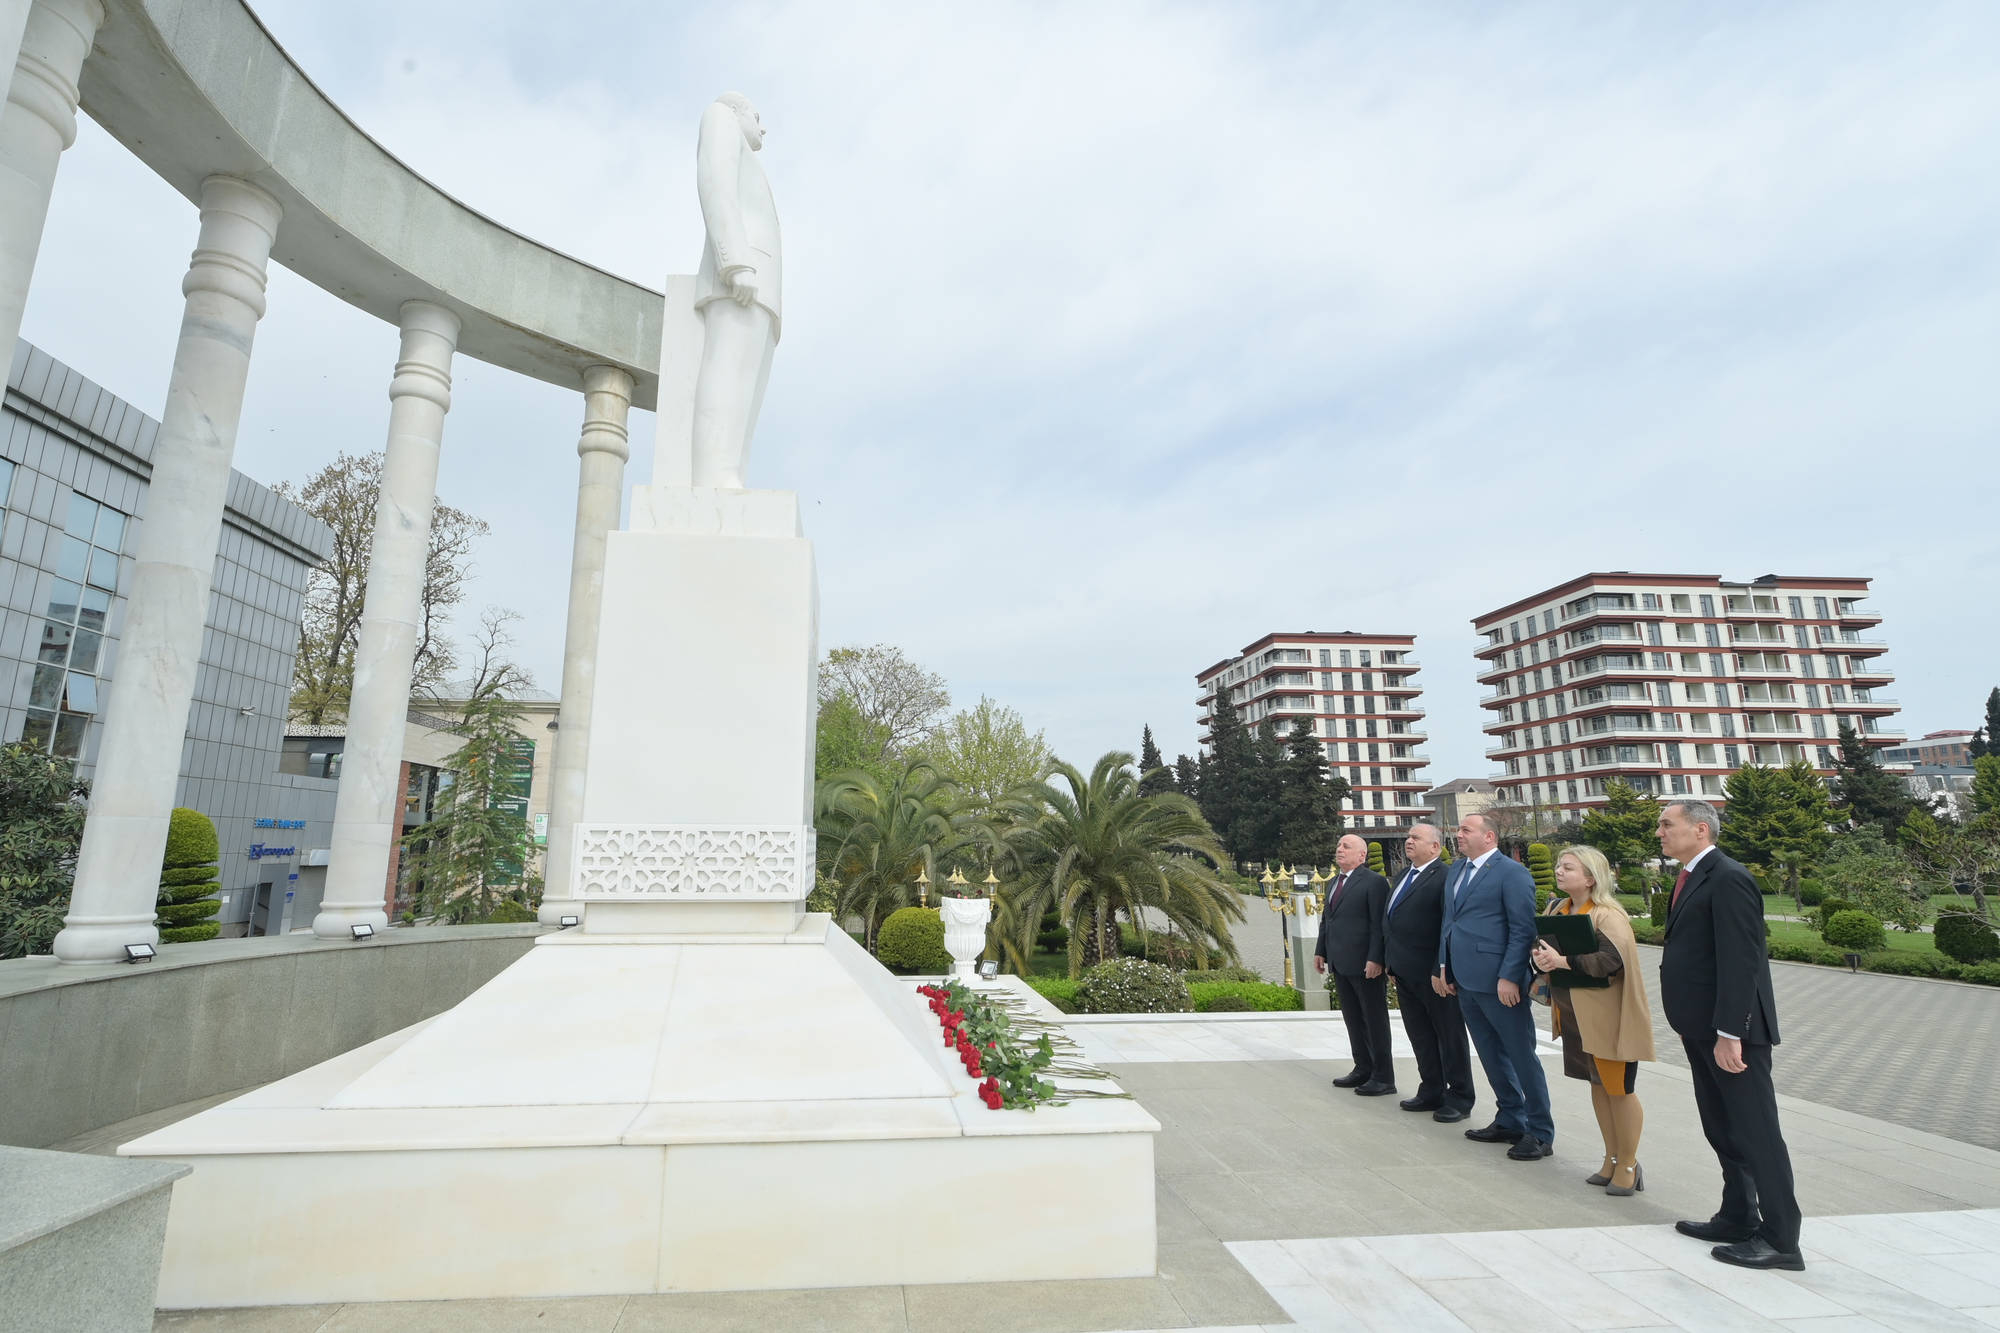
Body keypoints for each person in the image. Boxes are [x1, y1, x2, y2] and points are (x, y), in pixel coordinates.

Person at [1657, 798, 1804, 1271]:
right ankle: (1739, 1214)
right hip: (1700, 1027)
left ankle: (1782, 1240)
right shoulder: (1693, 876)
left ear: (1700, 829)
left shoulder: (1728, 877)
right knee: (1722, 1126)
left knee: (1756, 1131)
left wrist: (1729, 1032)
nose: (1659, 832)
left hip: (1732, 1034)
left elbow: (1743, 964)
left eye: (1667, 824)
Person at [1528, 845, 1656, 1196]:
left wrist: (1562, 961)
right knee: (1597, 1087)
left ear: (1590, 877)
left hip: (1608, 1017)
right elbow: (1543, 949)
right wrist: (1541, 959)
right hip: (1574, 1015)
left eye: (1567, 867)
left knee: (1619, 1089)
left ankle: (1628, 1164)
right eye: (1558, 865)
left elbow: (1611, 962)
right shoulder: (1558, 908)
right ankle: (1611, 1158)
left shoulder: (1607, 914)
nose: (1558, 870)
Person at [1435, 812, 1554, 1161]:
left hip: (1500, 982)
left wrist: (1508, 975)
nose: (1458, 835)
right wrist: (1445, 967)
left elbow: (1522, 929)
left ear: (1489, 837)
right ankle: (1509, 1118)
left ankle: (1540, 1131)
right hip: (1465, 979)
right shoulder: (1457, 870)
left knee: (1520, 1056)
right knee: (1489, 1054)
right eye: (1458, 829)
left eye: (1466, 830)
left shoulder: (1512, 873)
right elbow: (1449, 922)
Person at [691, 92, 782, 489]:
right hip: (741, 272)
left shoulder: (749, 153)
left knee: (749, 387)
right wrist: (735, 261)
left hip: (761, 280)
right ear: (737, 111)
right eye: (757, 117)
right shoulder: (719, 117)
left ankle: (731, 473)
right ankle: (714, 475)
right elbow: (715, 184)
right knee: (727, 371)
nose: (762, 127)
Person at [1382, 823, 1475, 1122]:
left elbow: (1447, 927)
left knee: (1449, 1035)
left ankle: (1459, 1096)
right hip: (1405, 971)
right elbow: (1392, 923)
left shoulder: (1445, 877)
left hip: (1435, 975)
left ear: (1435, 846)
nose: (1408, 841)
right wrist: (1390, 962)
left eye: (1415, 838)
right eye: (1408, 837)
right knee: (1420, 1034)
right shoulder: (1403, 876)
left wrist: (1442, 968)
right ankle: (1431, 1088)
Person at [1313, 834, 1395, 1096]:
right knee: (1352, 1019)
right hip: (1340, 962)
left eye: (1346, 846)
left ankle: (1383, 1077)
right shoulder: (1334, 882)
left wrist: (1376, 958)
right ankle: (1363, 1067)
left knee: (1374, 1020)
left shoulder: (1374, 882)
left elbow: (1378, 925)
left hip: (1365, 964)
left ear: (1362, 855)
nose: (1340, 849)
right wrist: (1320, 951)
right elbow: (1328, 920)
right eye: (1338, 845)